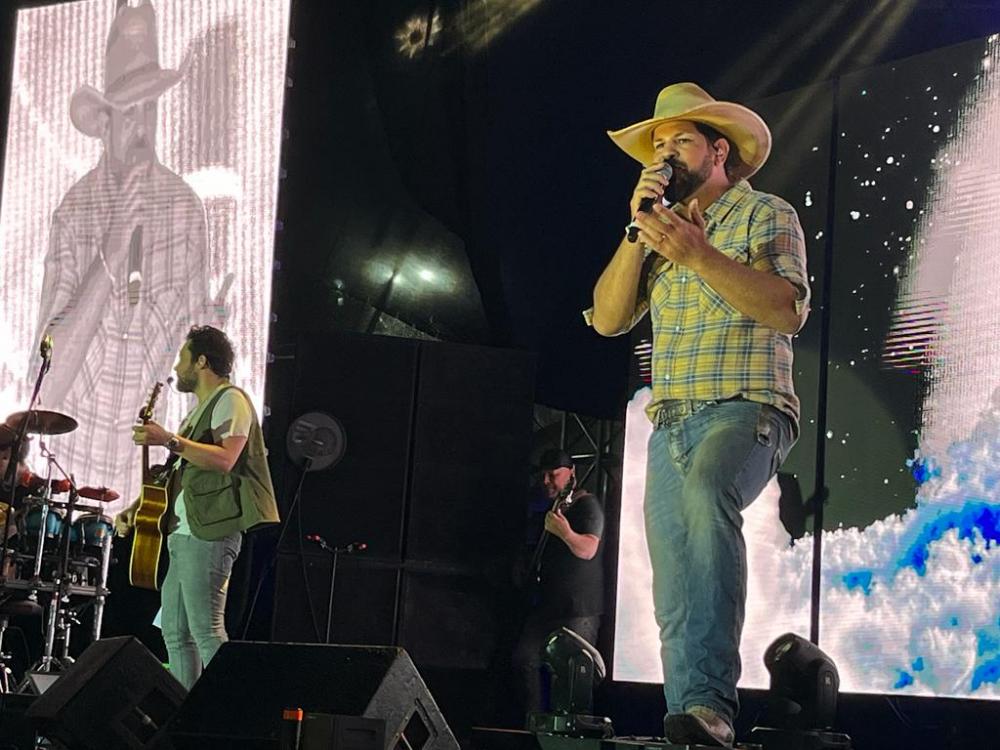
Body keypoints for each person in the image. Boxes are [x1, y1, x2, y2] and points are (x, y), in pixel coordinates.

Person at [589, 83, 809, 747]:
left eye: (680, 139)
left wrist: (700, 255)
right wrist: (638, 231)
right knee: (674, 573)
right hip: (672, 423)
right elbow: (607, 319)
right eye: (657, 144)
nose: (665, 152)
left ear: (719, 151)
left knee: (709, 494)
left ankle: (713, 703)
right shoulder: (655, 233)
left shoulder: (765, 213)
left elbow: (787, 310)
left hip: (747, 406)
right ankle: (692, 721)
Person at [34, 0, 209, 510]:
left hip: (150, 483)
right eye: (130, 112)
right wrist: (111, 252)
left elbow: (203, 371)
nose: (142, 128)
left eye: (150, 108)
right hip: (68, 476)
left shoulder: (184, 210)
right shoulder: (74, 213)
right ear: (105, 123)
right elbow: (46, 383)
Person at [115, 326, 278, 689]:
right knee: (176, 633)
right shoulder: (198, 413)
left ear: (202, 361)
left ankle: (225, 711)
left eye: (182, 359)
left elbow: (225, 459)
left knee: (207, 630)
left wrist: (168, 439)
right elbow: (175, 472)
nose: (177, 368)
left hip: (210, 531)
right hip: (185, 533)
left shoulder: (231, 400)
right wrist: (136, 507)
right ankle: (184, 709)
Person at [512, 449, 604, 716]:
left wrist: (564, 532)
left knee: (572, 675)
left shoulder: (588, 505)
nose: (546, 481)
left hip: (578, 609)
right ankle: (534, 723)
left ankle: (569, 731)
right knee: (524, 659)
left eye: (553, 475)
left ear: (571, 473)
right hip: (549, 605)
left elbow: (588, 549)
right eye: (544, 475)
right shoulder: (554, 506)